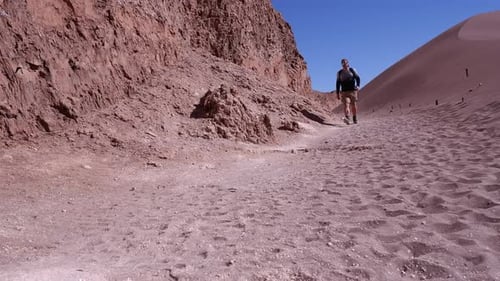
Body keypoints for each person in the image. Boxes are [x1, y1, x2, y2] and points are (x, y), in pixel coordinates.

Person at [336, 58, 360, 124]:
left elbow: (358, 78)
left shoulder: (352, 70)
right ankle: (347, 118)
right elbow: (338, 83)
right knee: (346, 104)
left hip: (353, 91)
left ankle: (354, 118)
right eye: (343, 63)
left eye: (345, 63)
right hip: (344, 92)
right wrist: (337, 93)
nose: (344, 64)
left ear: (348, 63)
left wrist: (358, 86)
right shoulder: (339, 73)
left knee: (354, 105)